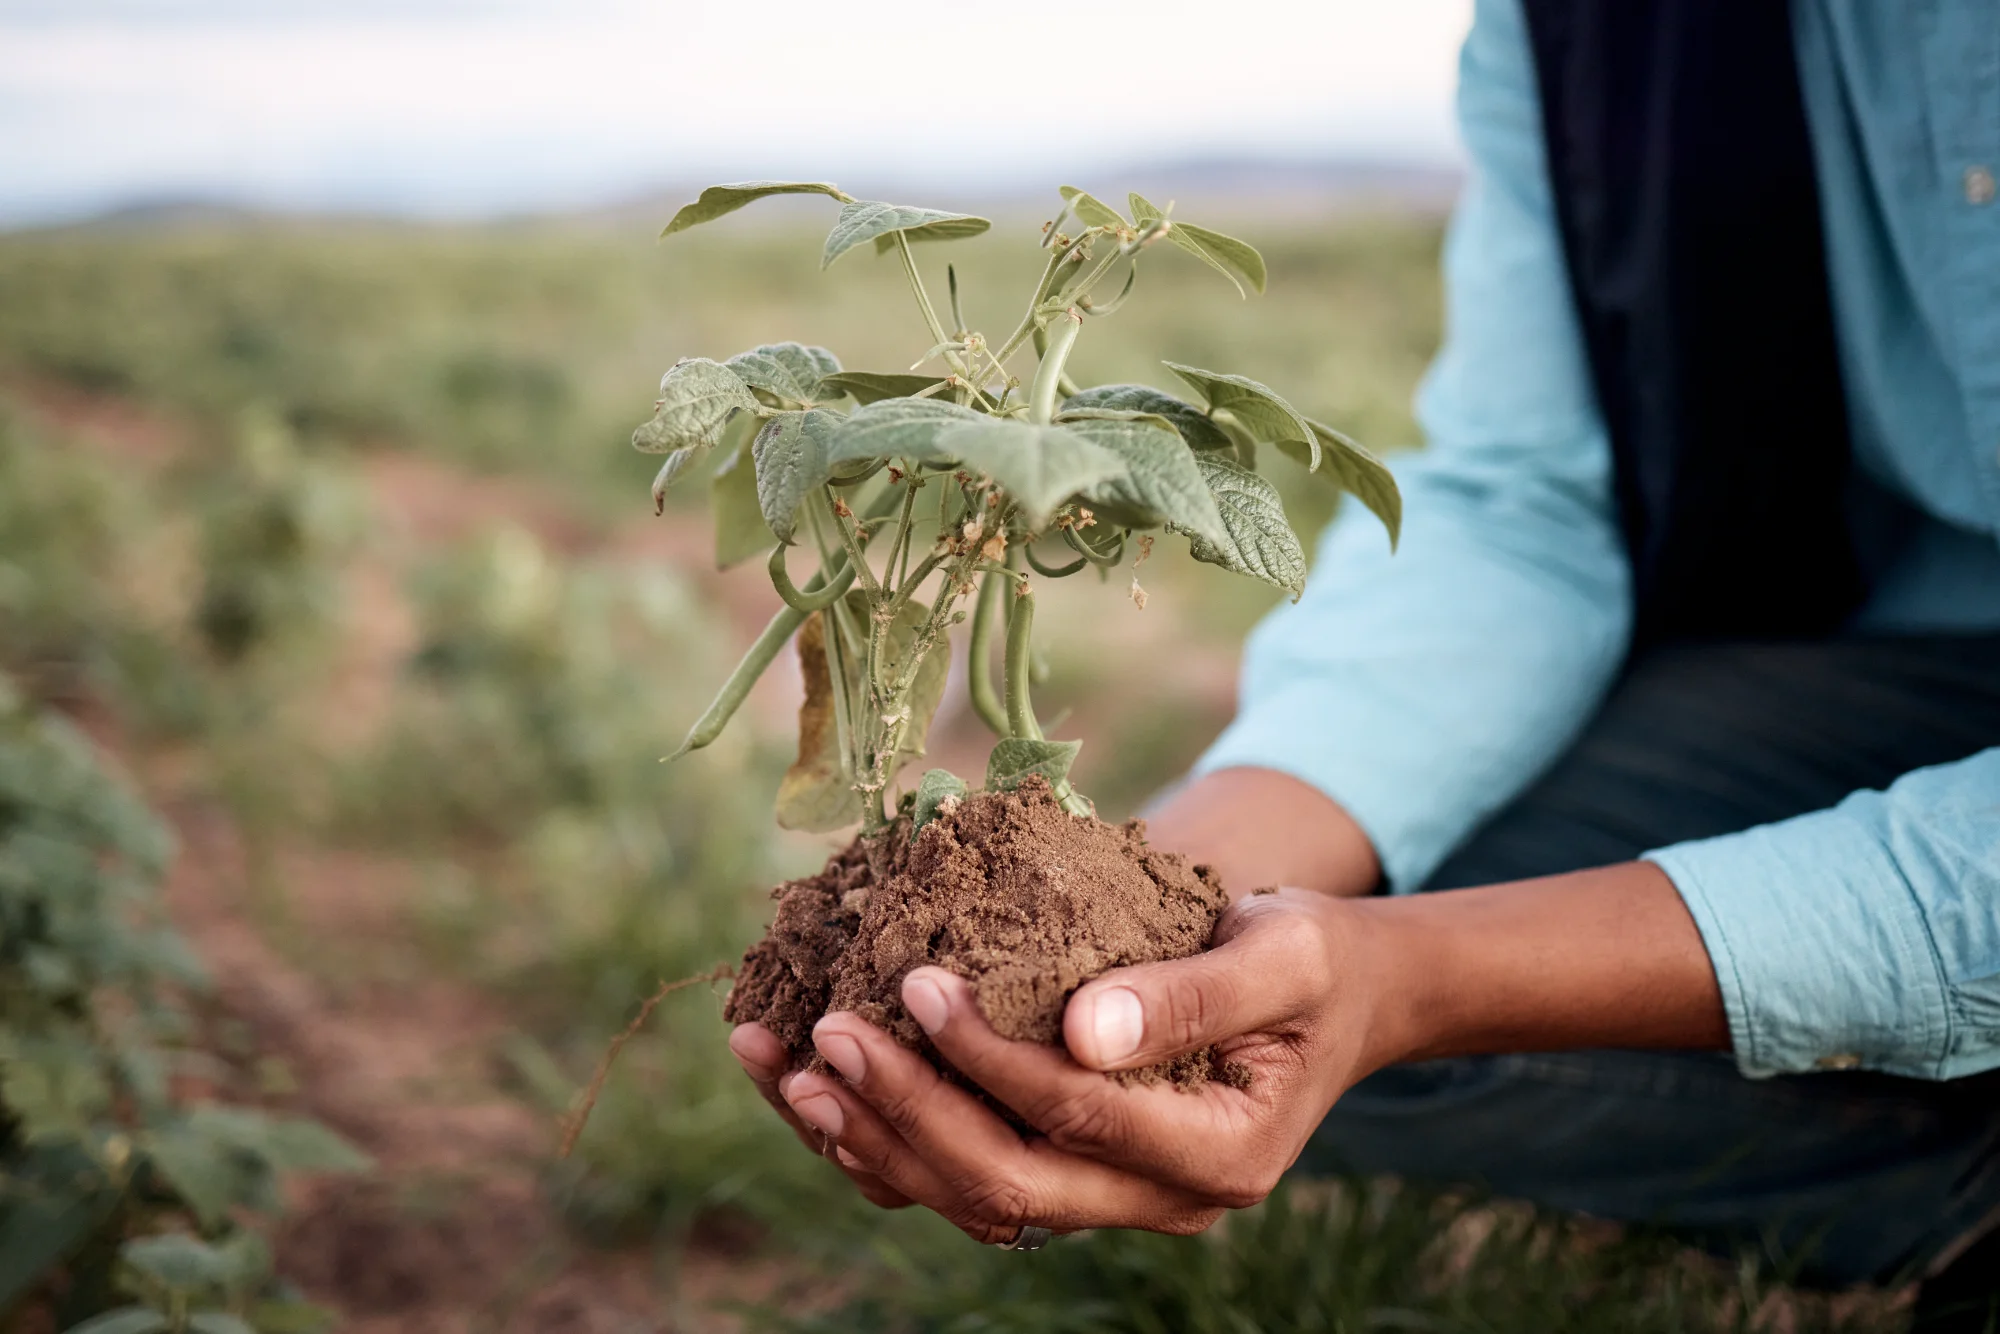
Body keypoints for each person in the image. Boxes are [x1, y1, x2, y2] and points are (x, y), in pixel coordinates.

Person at [728, 0, 2000, 1322]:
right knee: (1296, 1006)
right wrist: (1160, 920)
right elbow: (1528, 504)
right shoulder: (1584, 28)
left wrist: (1412, 978)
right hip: (1895, 661)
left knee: (1416, 991)